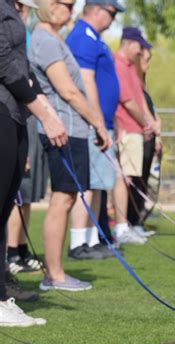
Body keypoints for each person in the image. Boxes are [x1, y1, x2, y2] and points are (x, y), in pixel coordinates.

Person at [29, 0, 110, 292]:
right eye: (67, 4)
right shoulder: (45, 41)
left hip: (73, 130)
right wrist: (98, 124)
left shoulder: (53, 39)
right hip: (62, 131)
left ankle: (56, 272)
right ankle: (55, 274)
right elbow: (68, 91)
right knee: (61, 199)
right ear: (49, 5)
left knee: (66, 198)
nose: (72, 10)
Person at [0, 0, 67, 326]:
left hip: (15, 113)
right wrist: (43, 113)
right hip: (4, 108)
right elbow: (4, 62)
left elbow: (21, 64)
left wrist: (46, 108)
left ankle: (1, 297)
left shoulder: (12, 9)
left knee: (4, 210)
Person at [66, 0, 125, 260]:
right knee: (87, 184)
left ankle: (93, 239)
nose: (113, 19)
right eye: (111, 13)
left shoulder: (95, 39)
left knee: (99, 184)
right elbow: (85, 81)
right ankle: (79, 242)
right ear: (97, 9)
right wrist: (98, 122)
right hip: (92, 123)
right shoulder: (82, 37)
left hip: (104, 124)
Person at [113, 27, 160, 245]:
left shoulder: (130, 68)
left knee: (130, 178)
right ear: (130, 43)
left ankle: (130, 224)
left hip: (136, 130)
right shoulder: (119, 65)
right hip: (127, 129)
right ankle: (123, 227)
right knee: (124, 178)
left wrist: (149, 122)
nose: (141, 52)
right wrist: (146, 123)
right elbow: (127, 101)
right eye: (140, 47)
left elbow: (139, 99)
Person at [127, 45, 162, 237]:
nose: (147, 64)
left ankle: (137, 220)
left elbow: (149, 106)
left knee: (143, 180)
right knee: (135, 179)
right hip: (137, 135)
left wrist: (157, 132)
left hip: (148, 136)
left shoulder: (142, 84)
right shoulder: (130, 80)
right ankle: (130, 222)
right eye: (145, 60)